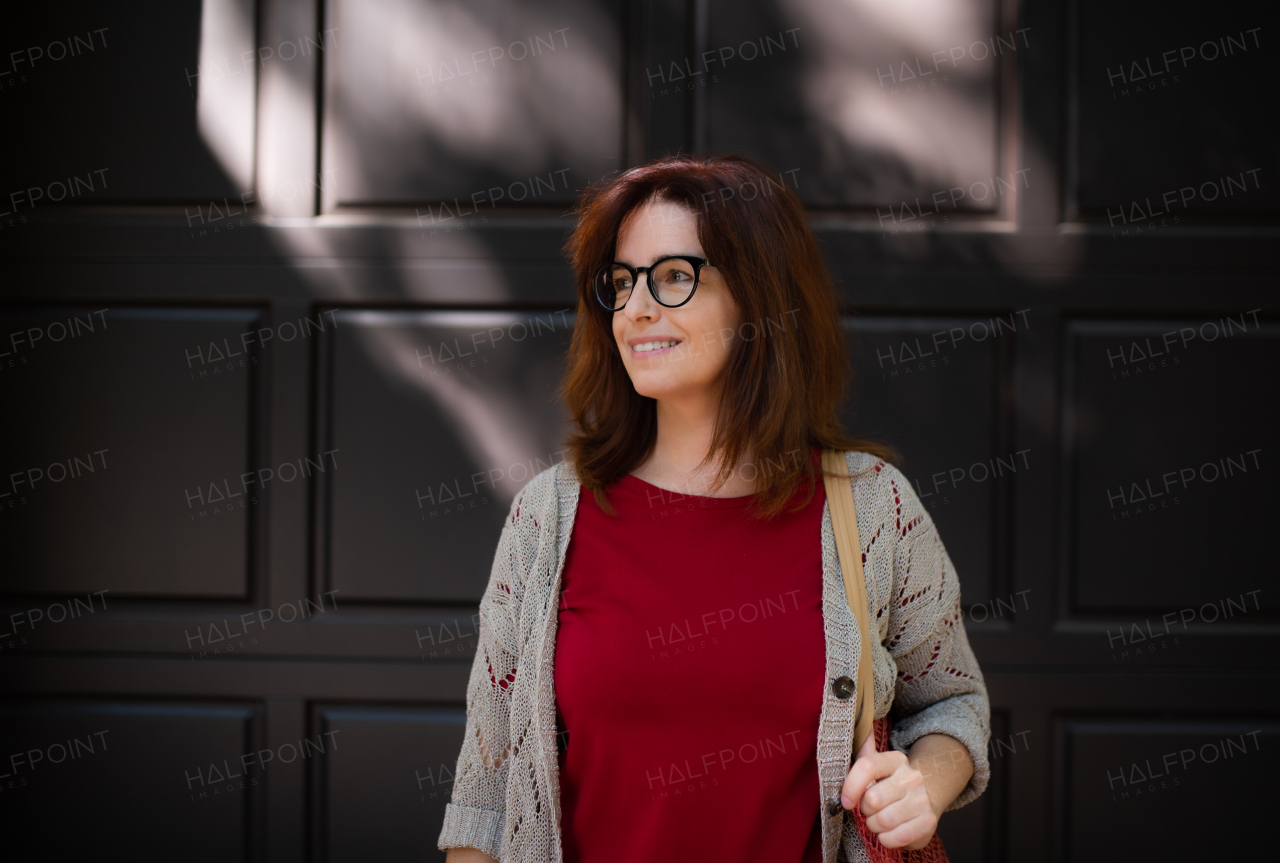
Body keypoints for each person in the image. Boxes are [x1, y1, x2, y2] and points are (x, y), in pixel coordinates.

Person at [438, 155, 990, 863]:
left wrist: (923, 782)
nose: (636, 308)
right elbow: (485, 801)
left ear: (759, 298)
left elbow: (953, 704)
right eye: (621, 280)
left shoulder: (872, 508)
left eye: (674, 276)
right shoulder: (547, 518)